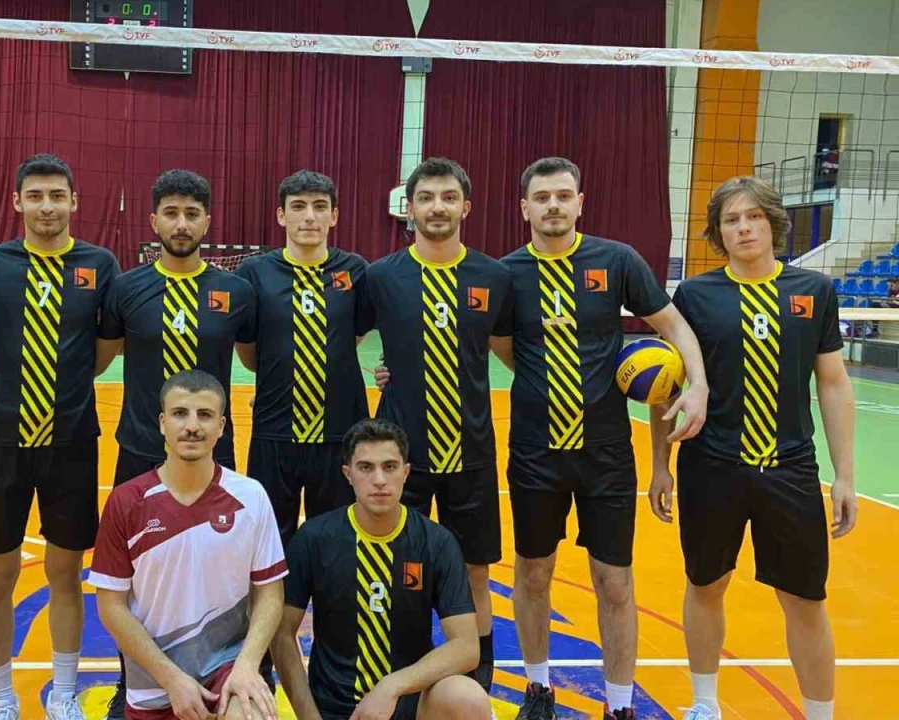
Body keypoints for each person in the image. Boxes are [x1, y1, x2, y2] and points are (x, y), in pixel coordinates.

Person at [498, 157, 708, 720]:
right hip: (536, 451)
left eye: (563, 195)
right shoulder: (507, 273)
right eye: (542, 197)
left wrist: (698, 385)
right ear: (524, 208)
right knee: (533, 573)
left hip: (608, 453)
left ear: (580, 202)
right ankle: (537, 691)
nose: (553, 205)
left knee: (613, 581)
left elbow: (673, 326)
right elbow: (503, 348)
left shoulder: (616, 260)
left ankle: (619, 706)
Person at [647, 176, 858, 720]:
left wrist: (845, 475)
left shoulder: (814, 291)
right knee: (706, 584)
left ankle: (820, 715)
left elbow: (833, 383)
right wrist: (660, 466)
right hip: (711, 466)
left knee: (805, 600)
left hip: (790, 468)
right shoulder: (695, 296)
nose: (743, 228)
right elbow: (668, 385)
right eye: (731, 220)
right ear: (718, 232)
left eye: (754, 217)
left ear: (773, 223)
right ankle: (705, 704)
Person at [0, 153, 121, 720]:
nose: (46, 206)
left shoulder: (99, 264)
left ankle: (64, 693)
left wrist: (65, 381)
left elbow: (105, 347)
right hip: (1, 443)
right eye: (35, 196)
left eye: (57, 196)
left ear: (74, 201)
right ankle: (2, 697)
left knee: (65, 574)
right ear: (17, 202)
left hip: (72, 442)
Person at [97, 169, 258, 717]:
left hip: (213, 454)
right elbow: (96, 358)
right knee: (135, 580)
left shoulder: (235, 292)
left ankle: (226, 673)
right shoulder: (126, 289)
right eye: (171, 213)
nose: (182, 223)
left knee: (220, 572)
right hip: (140, 451)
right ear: (154, 221)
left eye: (192, 213)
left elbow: (255, 358)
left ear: (207, 221)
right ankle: (134, 684)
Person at [358, 157, 515, 693]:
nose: (438, 207)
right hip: (400, 454)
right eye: (426, 198)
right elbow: (342, 341)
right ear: (410, 208)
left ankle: (477, 679)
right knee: (396, 565)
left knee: (474, 569)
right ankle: (396, 673)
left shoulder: (493, 276)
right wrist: (383, 371)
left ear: (466, 206)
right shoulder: (382, 276)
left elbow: (511, 352)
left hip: (471, 448)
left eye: (449, 197)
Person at [89, 369, 286, 720]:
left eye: (204, 415)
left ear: (221, 426)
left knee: (249, 713)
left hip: (228, 668)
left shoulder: (251, 496)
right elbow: (111, 607)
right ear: (162, 423)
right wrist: (171, 678)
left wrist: (247, 665)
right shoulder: (126, 501)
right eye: (180, 413)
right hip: (155, 682)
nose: (192, 426)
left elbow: (270, 594)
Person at [272, 418, 493, 720]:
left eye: (390, 467)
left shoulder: (435, 542)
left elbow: (467, 647)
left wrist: (392, 686)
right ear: (348, 474)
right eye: (366, 467)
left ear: (406, 472)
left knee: (467, 698)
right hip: (334, 708)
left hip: (408, 703)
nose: (379, 480)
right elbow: (282, 634)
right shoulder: (314, 538)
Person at [234, 170, 369, 545]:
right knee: (270, 541)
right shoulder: (254, 272)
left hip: (339, 430)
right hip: (274, 429)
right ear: (281, 215)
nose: (309, 216)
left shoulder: (355, 270)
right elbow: (249, 351)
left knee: (334, 538)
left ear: (334, 215)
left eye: (319, 207)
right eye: (298, 206)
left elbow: (352, 337)